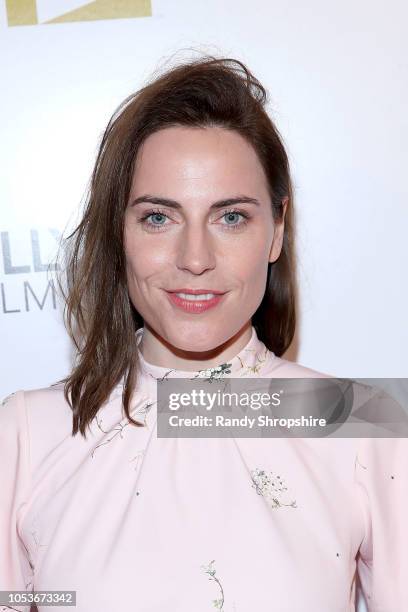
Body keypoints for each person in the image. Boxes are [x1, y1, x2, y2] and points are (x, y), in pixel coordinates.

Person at [0, 55, 407, 612]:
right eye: (159, 218)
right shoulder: (27, 435)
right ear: (118, 232)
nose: (195, 259)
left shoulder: (362, 424)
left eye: (231, 217)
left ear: (277, 230)